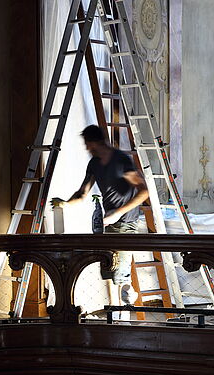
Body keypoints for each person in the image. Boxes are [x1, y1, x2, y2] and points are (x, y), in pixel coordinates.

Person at [53, 125, 149, 307]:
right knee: (108, 269)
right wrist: (65, 203)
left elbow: (144, 192)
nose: (86, 148)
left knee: (121, 273)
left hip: (126, 222)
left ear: (95, 142)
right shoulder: (95, 164)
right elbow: (82, 193)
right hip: (107, 223)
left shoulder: (121, 160)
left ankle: (124, 311)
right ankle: (114, 315)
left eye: (87, 144)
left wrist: (118, 213)